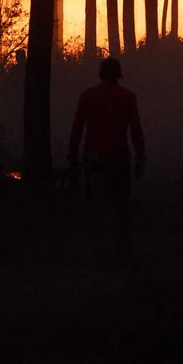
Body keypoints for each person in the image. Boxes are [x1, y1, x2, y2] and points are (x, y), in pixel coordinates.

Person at [68, 57, 146, 267]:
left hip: (94, 159)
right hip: (119, 158)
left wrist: (73, 158)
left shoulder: (88, 96)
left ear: (100, 74)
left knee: (97, 206)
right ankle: (123, 253)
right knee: (121, 208)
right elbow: (136, 130)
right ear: (118, 75)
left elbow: (77, 129)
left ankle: (100, 253)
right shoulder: (128, 97)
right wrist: (140, 157)